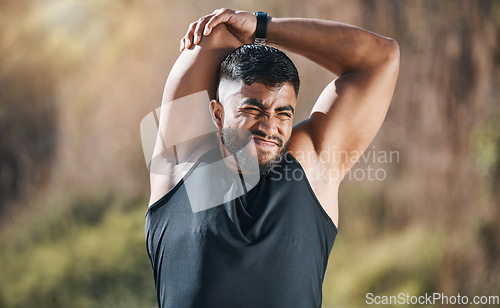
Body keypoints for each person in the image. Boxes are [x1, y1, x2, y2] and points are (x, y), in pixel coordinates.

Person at [145, 8, 399, 308]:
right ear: (217, 113)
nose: (269, 127)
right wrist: (248, 37)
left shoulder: (313, 162)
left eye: (283, 113)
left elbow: (382, 57)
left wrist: (263, 27)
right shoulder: (181, 164)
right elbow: (213, 36)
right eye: (253, 110)